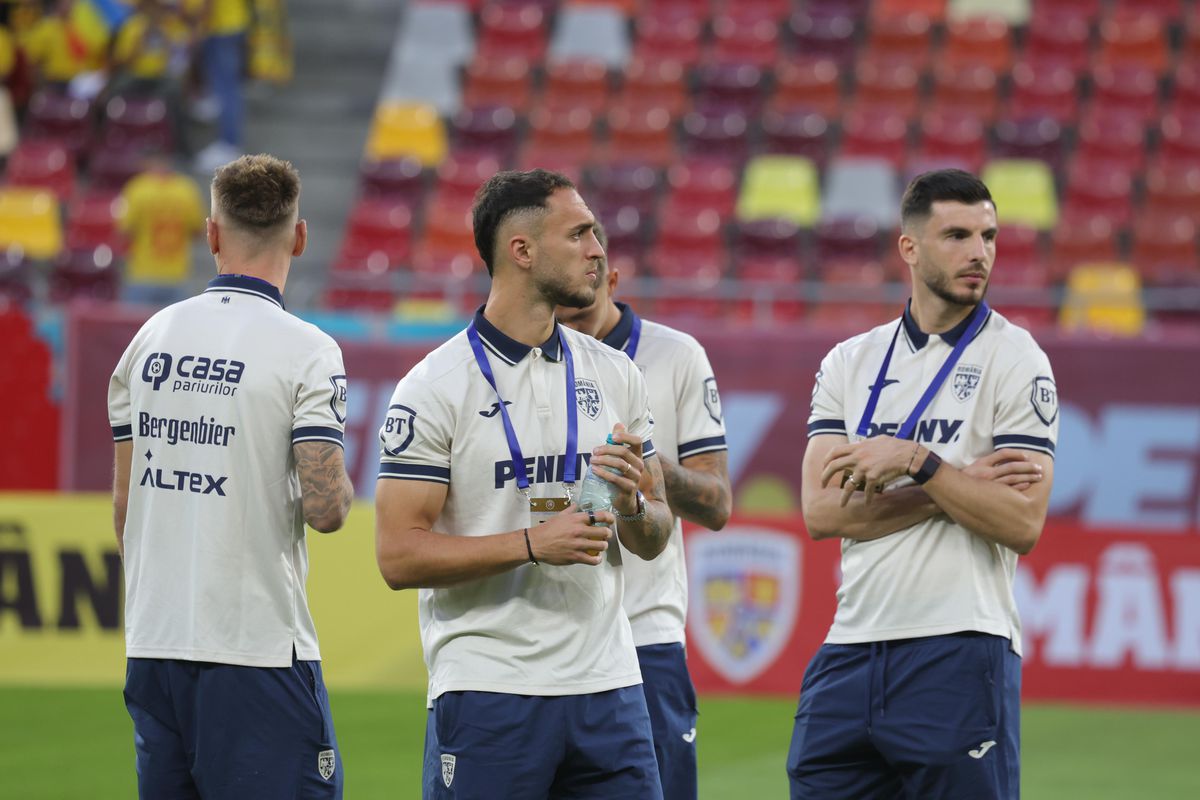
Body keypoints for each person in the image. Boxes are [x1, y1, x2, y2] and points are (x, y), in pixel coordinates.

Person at [375, 168, 675, 799]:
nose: (599, 249)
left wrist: (633, 505)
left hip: (608, 688)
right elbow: (399, 555)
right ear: (522, 251)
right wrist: (533, 543)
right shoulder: (433, 388)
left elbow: (654, 538)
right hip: (489, 687)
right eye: (580, 233)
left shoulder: (617, 374)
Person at [788, 168, 1058, 799]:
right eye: (958, 235)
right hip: (851, 649)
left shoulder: (1016, 359)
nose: (979, 253)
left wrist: (920, 463)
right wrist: (958, 490)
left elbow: (1022, 524)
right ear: (909, 247)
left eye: (988, 236)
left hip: (960, 647)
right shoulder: (849, 363)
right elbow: (822, 513)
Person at [108, 154, 353, 799]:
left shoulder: (149, 339)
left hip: (154, 645)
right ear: (300, 238)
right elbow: (328, 510)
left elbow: (125, 509)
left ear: (211, 233)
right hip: (255, 650)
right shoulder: (307, 349)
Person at [556, 222, 732, 800]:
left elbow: (717, 502)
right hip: (551, 632)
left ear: (611, 275)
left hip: (644, 629)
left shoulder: (675, 356)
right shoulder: (526, 360)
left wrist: (647, 468)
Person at [117, 152, 206, 306]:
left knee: (137, 328)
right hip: (177, 275)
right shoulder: (186, 189)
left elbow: (124, 230)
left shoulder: (138, 188)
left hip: (143, 274)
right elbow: (198, 232)